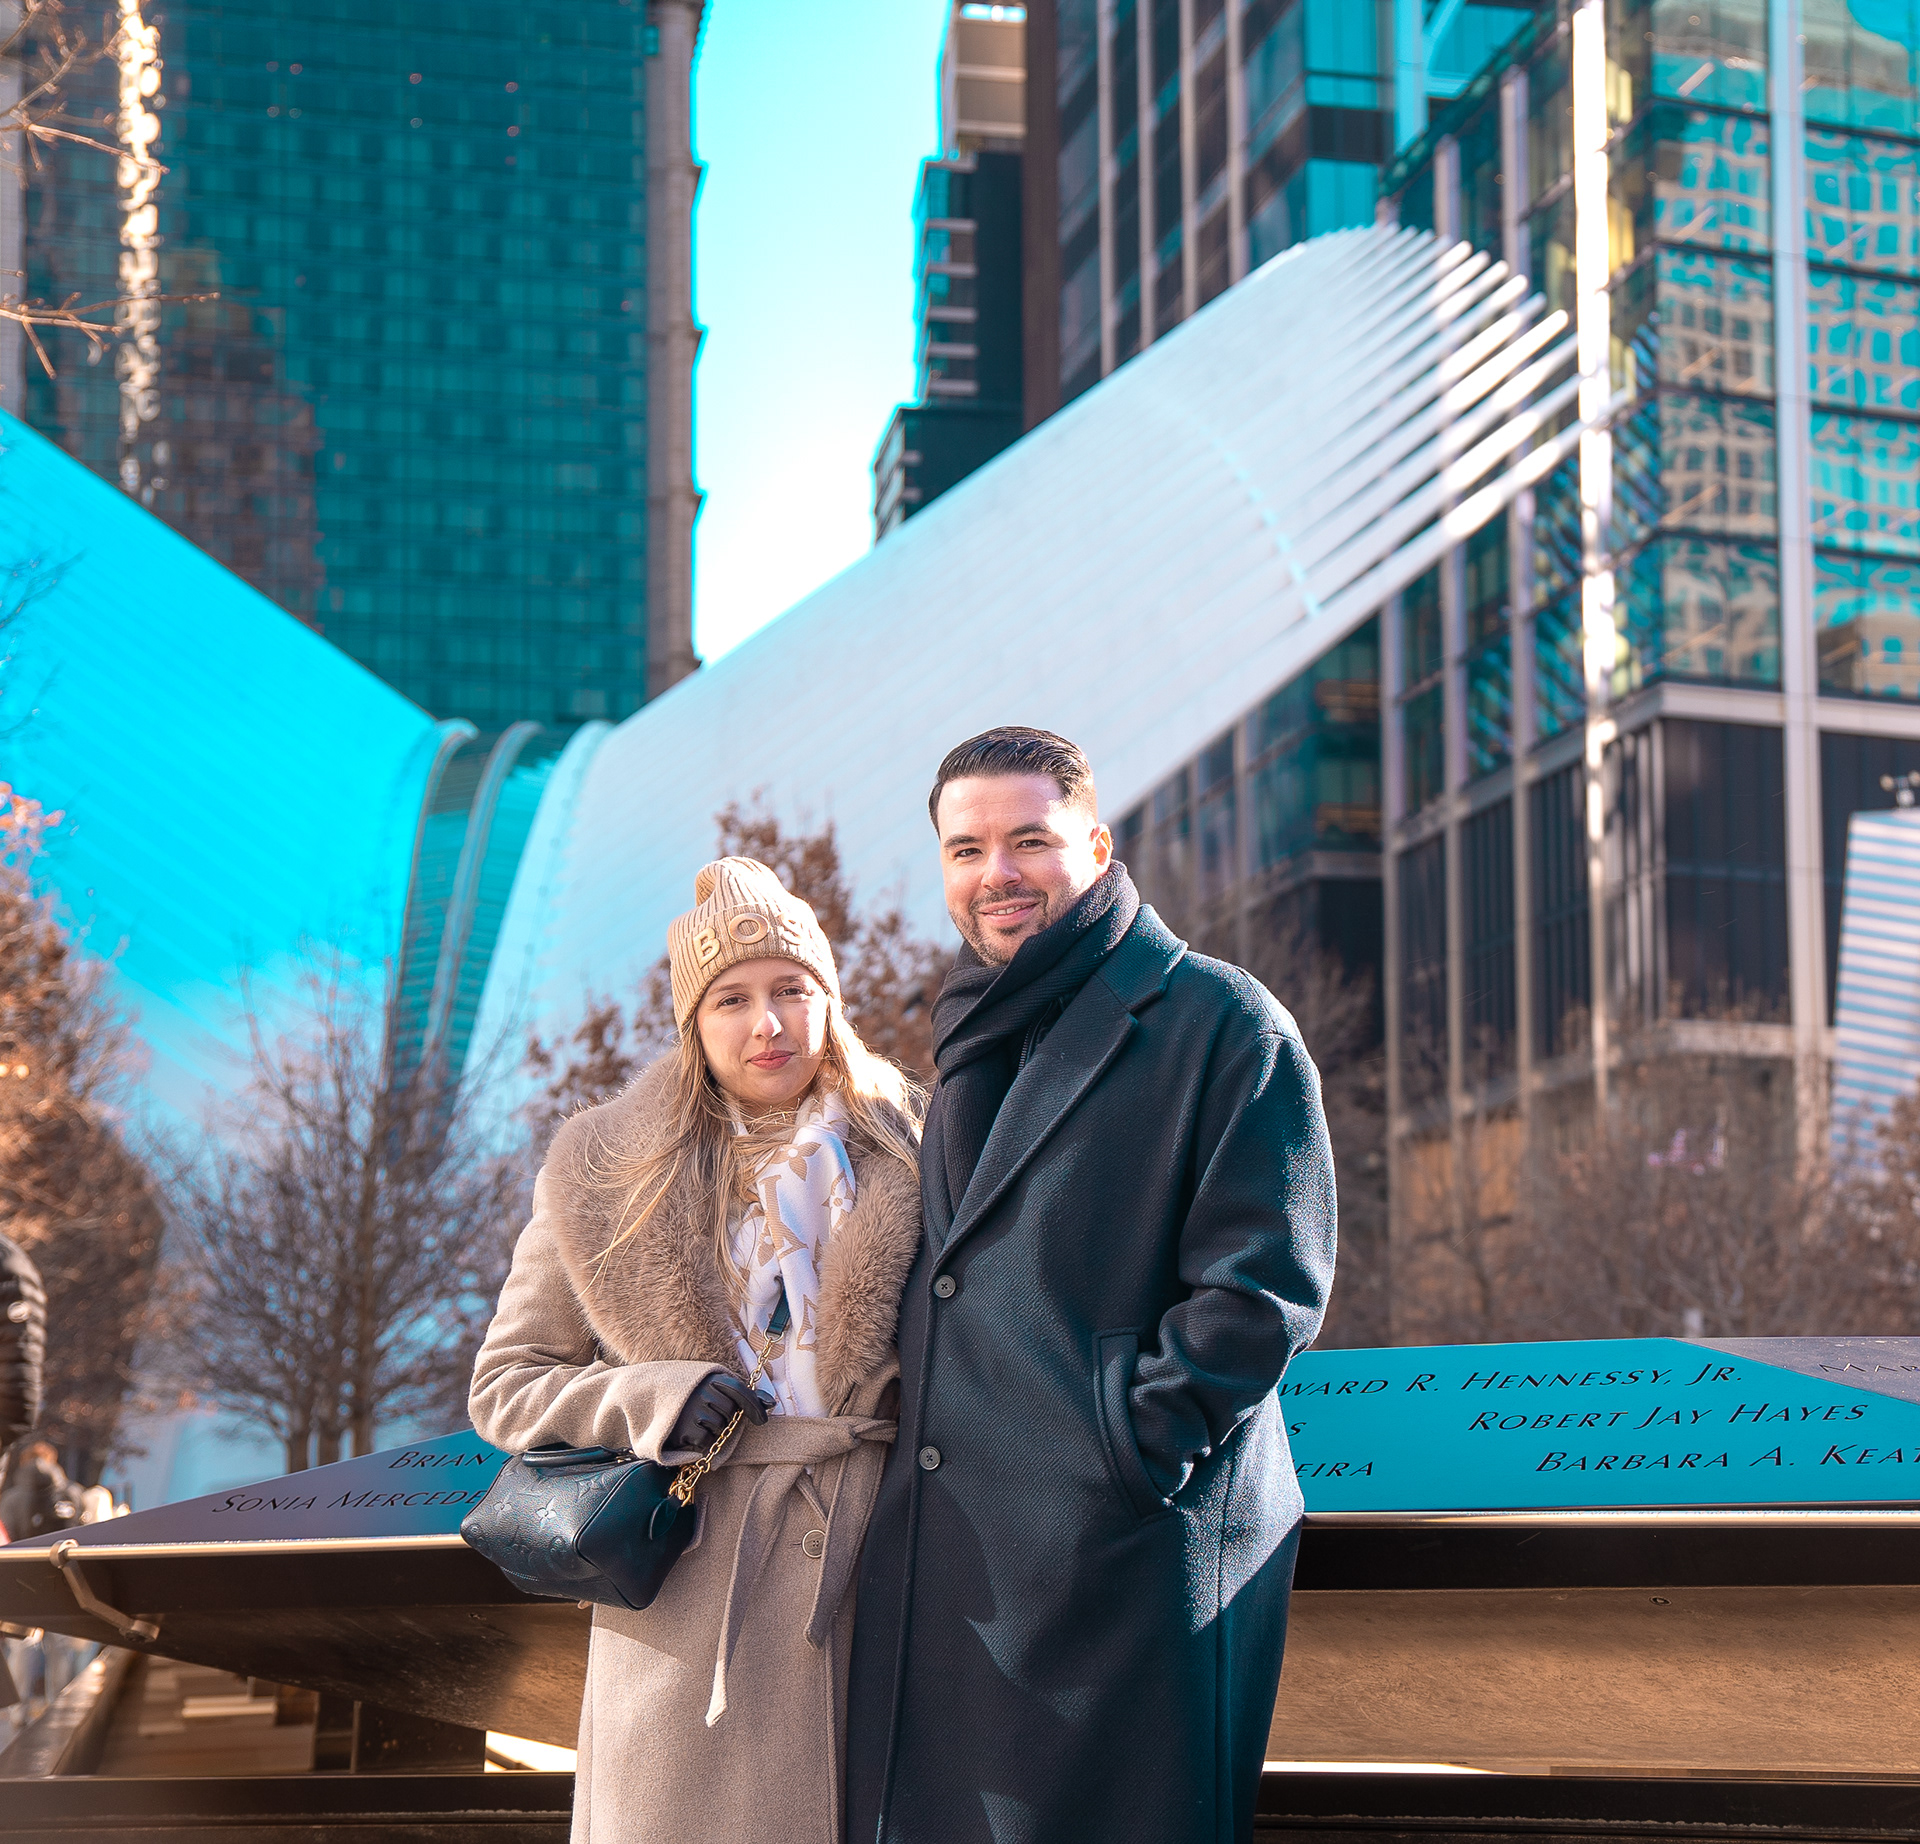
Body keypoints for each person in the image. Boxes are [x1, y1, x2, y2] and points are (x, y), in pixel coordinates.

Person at [845, 727, 1337, 1844]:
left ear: (1099, 846)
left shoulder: (1221, 1020)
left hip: (1127, 1554)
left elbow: (1264, 1287)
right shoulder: (972, 1030)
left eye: (1029, 840)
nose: (997, 873)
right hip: (962, 1559)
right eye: (966, 849)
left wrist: (1122, 1451)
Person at [470, 858, 924, 1844]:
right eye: (733, 999)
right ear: (693, 1021)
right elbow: (506, 1386)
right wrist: (655, 1398)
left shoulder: (914, 1150)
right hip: (686, 1615)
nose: (769, 1023)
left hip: (881, 1585)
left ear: (828, 999)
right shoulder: (605, 1172)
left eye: (792, 989)